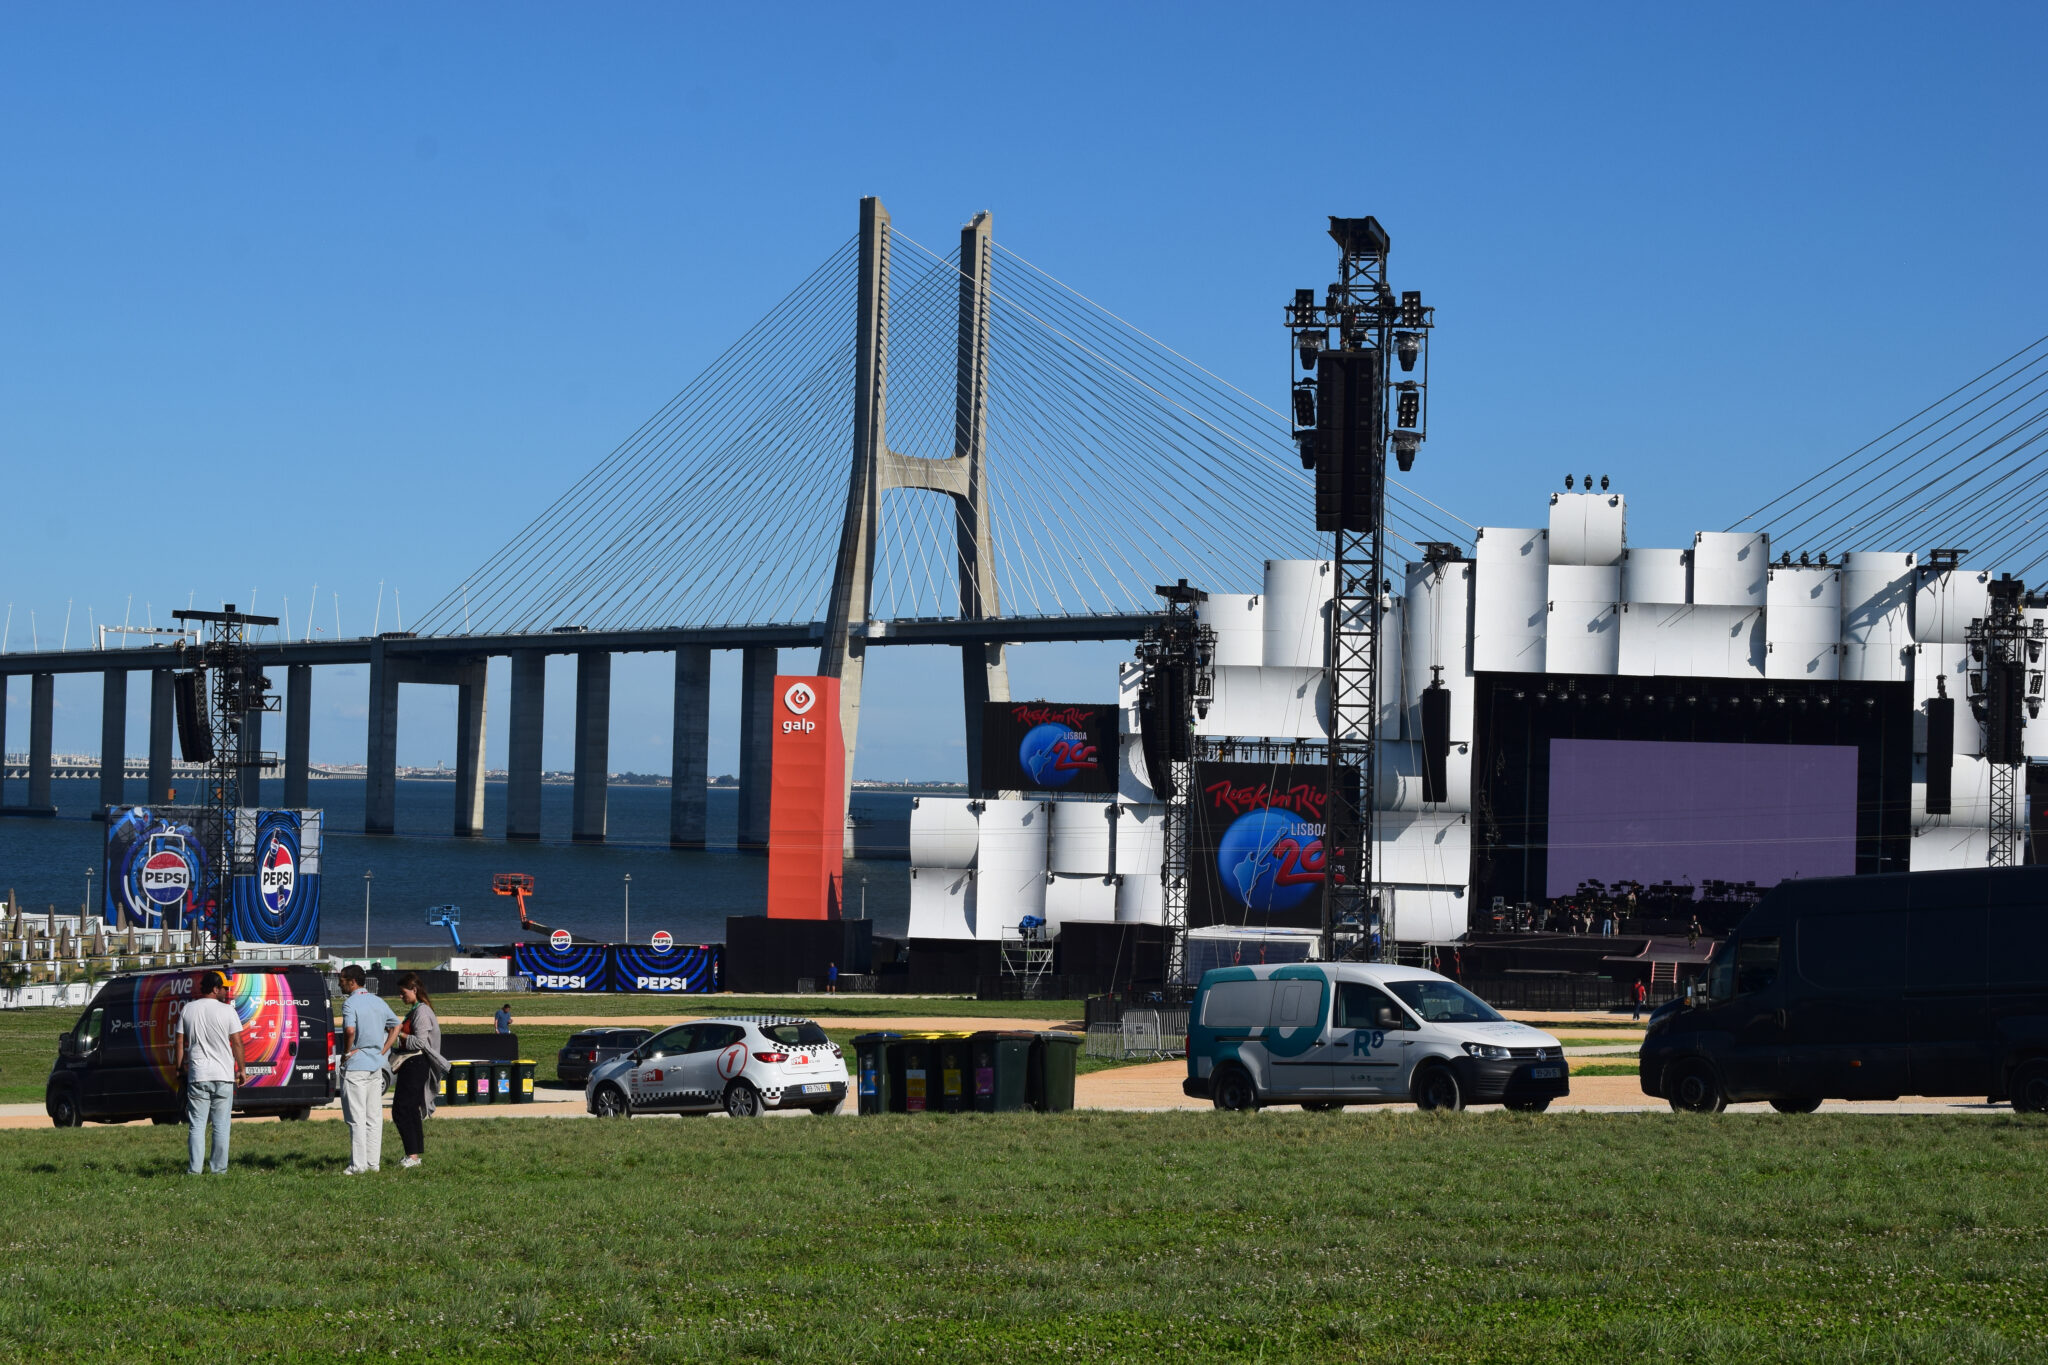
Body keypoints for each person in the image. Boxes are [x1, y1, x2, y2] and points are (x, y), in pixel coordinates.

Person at [173, 971, 245, 1175]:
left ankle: (194, 1170)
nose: (226, 991)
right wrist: (242, 1069)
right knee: (221, 1126)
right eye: (224, 988)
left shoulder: (188, 1009)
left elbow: (179, 1041)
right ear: (215, 989)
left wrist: (179, 1068)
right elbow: (237, 1042)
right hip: (223, 1075)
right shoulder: (227, 1011)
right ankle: (218, 1170)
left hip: (198, 1075)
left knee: (197, 1125)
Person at [338, 964, 400, 1175]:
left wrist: (347, 1052)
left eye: (342, 979)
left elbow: (349, 1029)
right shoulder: (378, 1001)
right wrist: (383, 1049)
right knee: (373, 1118)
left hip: (356, 1066)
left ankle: (358, 1165)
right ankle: (373, 1164)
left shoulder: (350, 1003)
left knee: (356, 1118)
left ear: (352, 982)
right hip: (376, 1064)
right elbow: (396, 1026)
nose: (339, 983)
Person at [387, 973, 447, 1170]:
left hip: (416, 1063)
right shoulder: (417, 1010)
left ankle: (412, 1156)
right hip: (412, 1064)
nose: (400, 997)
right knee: (410, 1110)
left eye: (403, 992)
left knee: (401, 1110)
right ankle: (413, 1155)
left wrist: (399, 1033)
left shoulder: (421, 1012)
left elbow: (420, 1042)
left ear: (414, 990)